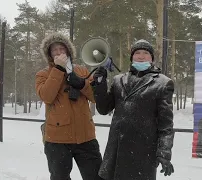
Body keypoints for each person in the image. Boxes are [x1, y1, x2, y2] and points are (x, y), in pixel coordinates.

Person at [91, 39, 175, 180]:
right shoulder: (118, 80)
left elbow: (166, 124)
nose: (141, 56)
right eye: (137, 53)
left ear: (152, 58)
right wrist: (99, 83)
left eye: (146, 53)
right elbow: (104, 109)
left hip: (143, 151)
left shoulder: (163, 83)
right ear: (132, 57)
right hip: (116, 151)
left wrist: (164, 152)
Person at [35, 32, 103, 180]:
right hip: (56, 140)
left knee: (96, 176)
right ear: (49, 54)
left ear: (68, 50)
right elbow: (47, 96)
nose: (59, 52)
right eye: (54, 50)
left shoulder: (82, 71)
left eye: (62, 48)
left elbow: (95, 97)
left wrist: (82, 83)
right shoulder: (43, 74)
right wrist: (58, 70)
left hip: (86, 137)